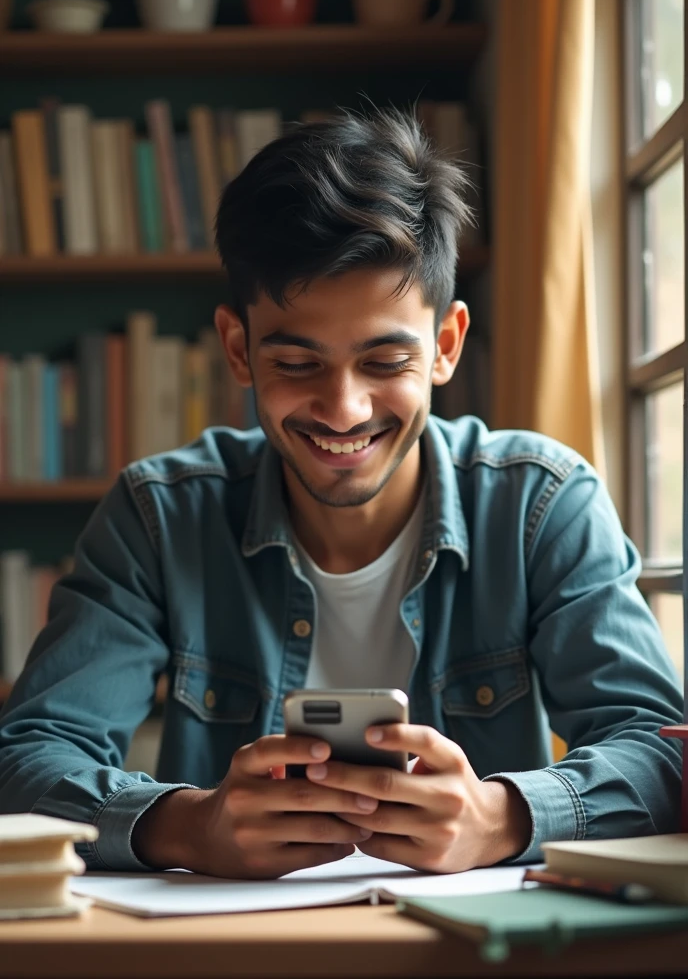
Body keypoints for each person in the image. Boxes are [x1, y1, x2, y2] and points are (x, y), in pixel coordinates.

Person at [0, 109, 682, 880]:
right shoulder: (159, 516)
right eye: (297, 364)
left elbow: (662, 750)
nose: (343, 409)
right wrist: (187, 827)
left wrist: (503, 816)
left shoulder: (541, 504)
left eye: (385, 361)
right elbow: (26, 761)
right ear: (238, 349)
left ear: (445, 347)